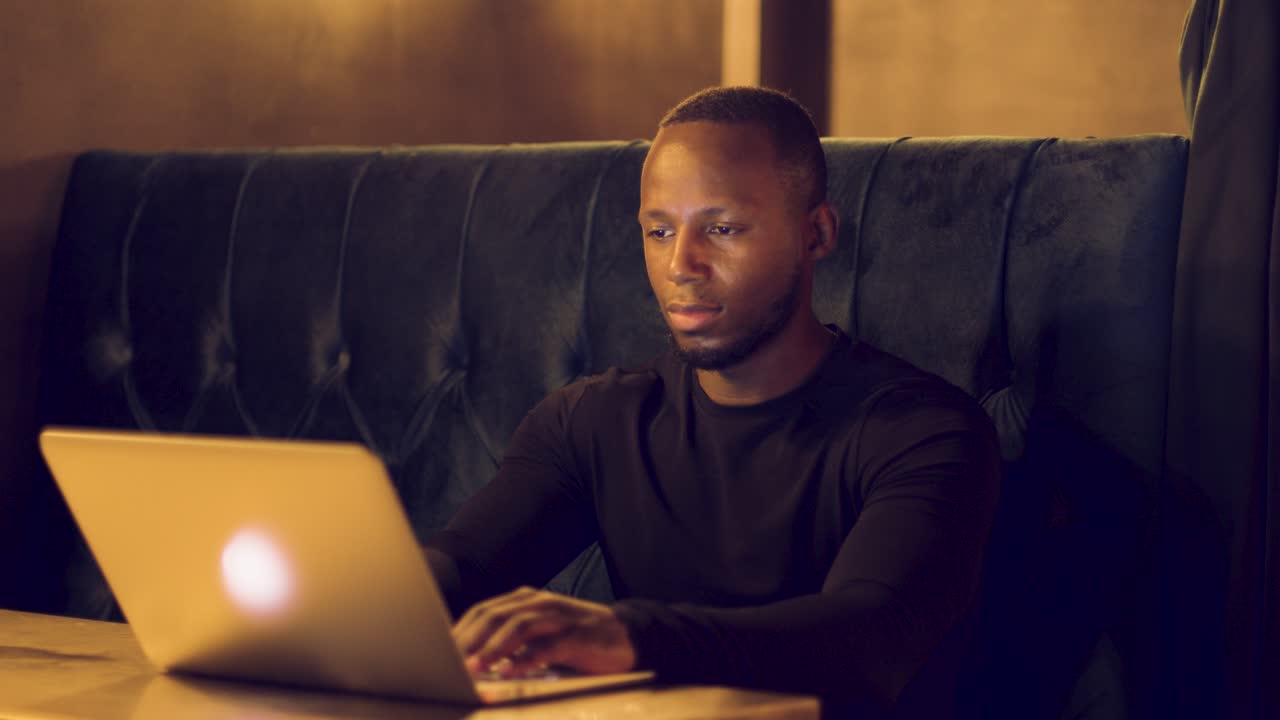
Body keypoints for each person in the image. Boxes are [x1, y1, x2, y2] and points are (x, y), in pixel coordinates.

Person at [423, 86, 1002, 719]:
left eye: (722, 229)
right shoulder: (589, 421)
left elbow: (867, 641)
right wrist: (355, 601)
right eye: (659, 230)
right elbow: (463, 568)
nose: (681, 264)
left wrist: (628, 637)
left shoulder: (926, 432)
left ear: (817, 232)